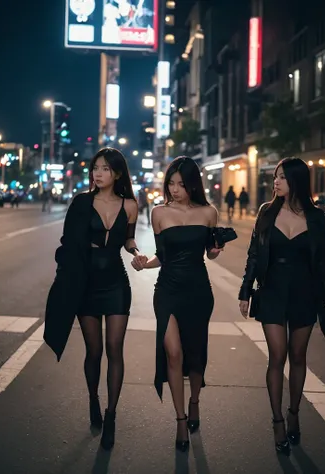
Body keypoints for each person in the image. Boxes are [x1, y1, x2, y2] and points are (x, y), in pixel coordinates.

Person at [43, 147, 147, 451]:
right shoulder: (81, 203)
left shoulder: (130, 205)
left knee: (115, 348)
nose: (97, 173)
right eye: (94, 168)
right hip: (85, 282)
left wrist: (137, 253)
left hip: (116, 282)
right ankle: (93, 399)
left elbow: (128, 239)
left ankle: (111, 415)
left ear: (116, 173)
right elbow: (68, 242)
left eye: (104, 169)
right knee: (94, 350)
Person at [238, 158, 325, 456]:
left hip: (304, 293)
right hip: (271, 291)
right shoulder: (267, 212)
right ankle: (278, 421)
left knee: (298, 356)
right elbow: (254, 255)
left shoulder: (317, 217)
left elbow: (323, 262)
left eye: (282, 177)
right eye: (275, 177)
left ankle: (294, 411)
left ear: (296, 180)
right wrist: (246, 291)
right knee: (277, 356)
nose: (276, 182)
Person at [132, 156, 223, 452]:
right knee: (173, 353)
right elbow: (164, 256)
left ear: (192, 184)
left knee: (195, 354)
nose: (174, 189)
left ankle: (195, 401)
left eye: (180, 184)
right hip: (167, 289)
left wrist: (216, 249)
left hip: (198, 290)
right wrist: (145, 265)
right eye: (170, 183)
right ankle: (180, 419)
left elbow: (210, 254)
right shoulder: (158, 213)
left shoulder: (210, 212)